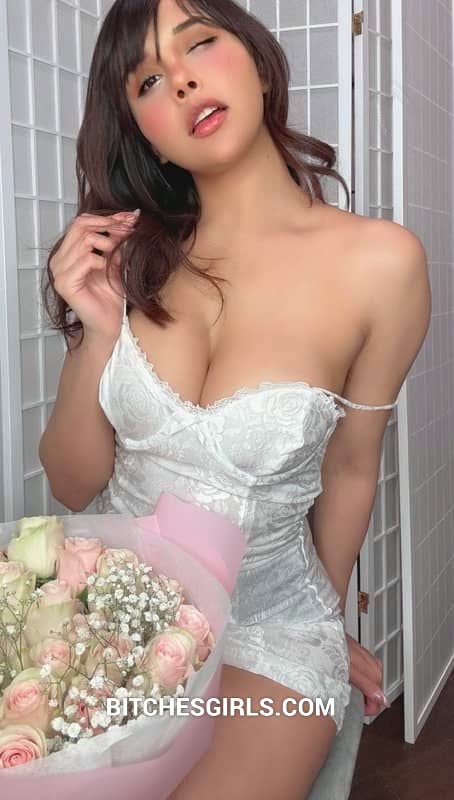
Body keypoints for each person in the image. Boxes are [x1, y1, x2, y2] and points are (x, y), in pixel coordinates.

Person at [39, 0, 431, 797]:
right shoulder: (130, 261)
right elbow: (75, 484)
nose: (182, 80)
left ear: (257, 59)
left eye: (201, 45)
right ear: (144, 130)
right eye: (149, 81)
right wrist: (99, 333)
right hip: (115, 610)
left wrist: (327, 625)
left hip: (271, 626)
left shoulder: (380, 264)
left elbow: (351, 468)